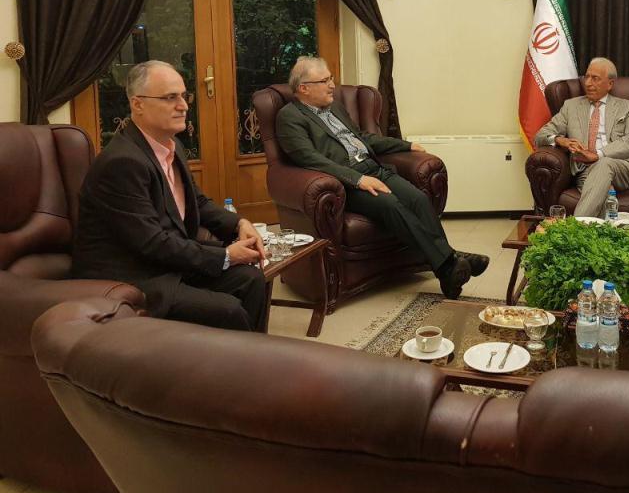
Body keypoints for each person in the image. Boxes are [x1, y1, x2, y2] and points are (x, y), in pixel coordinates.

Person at [74, 60, 268, 332]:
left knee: (252, 280)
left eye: (184, 96)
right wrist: (225, 255)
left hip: (166, 262)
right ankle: (231, 358)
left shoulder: (171, 145)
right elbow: (152, 243)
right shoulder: (122, 162)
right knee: (228, 309)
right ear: (137, 104)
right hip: (134, 274)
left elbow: (197, 202)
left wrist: (239, 224)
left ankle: (253, 355)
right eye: (170, 98)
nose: (184, 105)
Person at [275, 56, 488, 299]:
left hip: (374, 168)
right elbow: (310, 159)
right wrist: (358, 180)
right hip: (347, 183)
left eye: (331, 78)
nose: (332, 85)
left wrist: (405, 145)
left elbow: (363, 138)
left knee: (418, 199)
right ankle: (450, 263)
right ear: (304, 88)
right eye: (324, 81)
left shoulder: (335, 108)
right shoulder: (290, 117)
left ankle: (449, 264)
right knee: (391, 205)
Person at [534, 57, 629, 217]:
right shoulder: (571, 106)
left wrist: (598, 154)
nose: (588, 83)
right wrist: (560, 140)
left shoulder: (627, 107)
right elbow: (540, 136)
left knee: (604, 164)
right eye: (587, 77)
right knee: (605, 192)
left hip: (622, 167)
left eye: (595, 78)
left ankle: (575, 226)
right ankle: (603, 231)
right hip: (585, 170)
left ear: (610, 84)